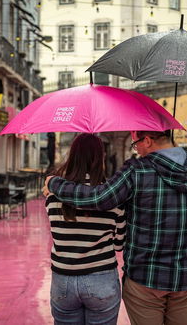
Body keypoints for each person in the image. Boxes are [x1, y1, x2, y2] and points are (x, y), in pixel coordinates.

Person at [43, 130, 187, 325]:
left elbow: (98, 198)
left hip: (146, 276)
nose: (136, 149)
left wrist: (54, 183)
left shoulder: (137, 170)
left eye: (135, 143)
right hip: (186, 276)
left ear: (147, 140)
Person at [45, 133, 126, 325]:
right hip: (101, 279)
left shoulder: (53, 195)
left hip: (63, 279)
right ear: (101, 158)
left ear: (73, 156)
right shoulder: (112, 198)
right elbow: (119, 244)